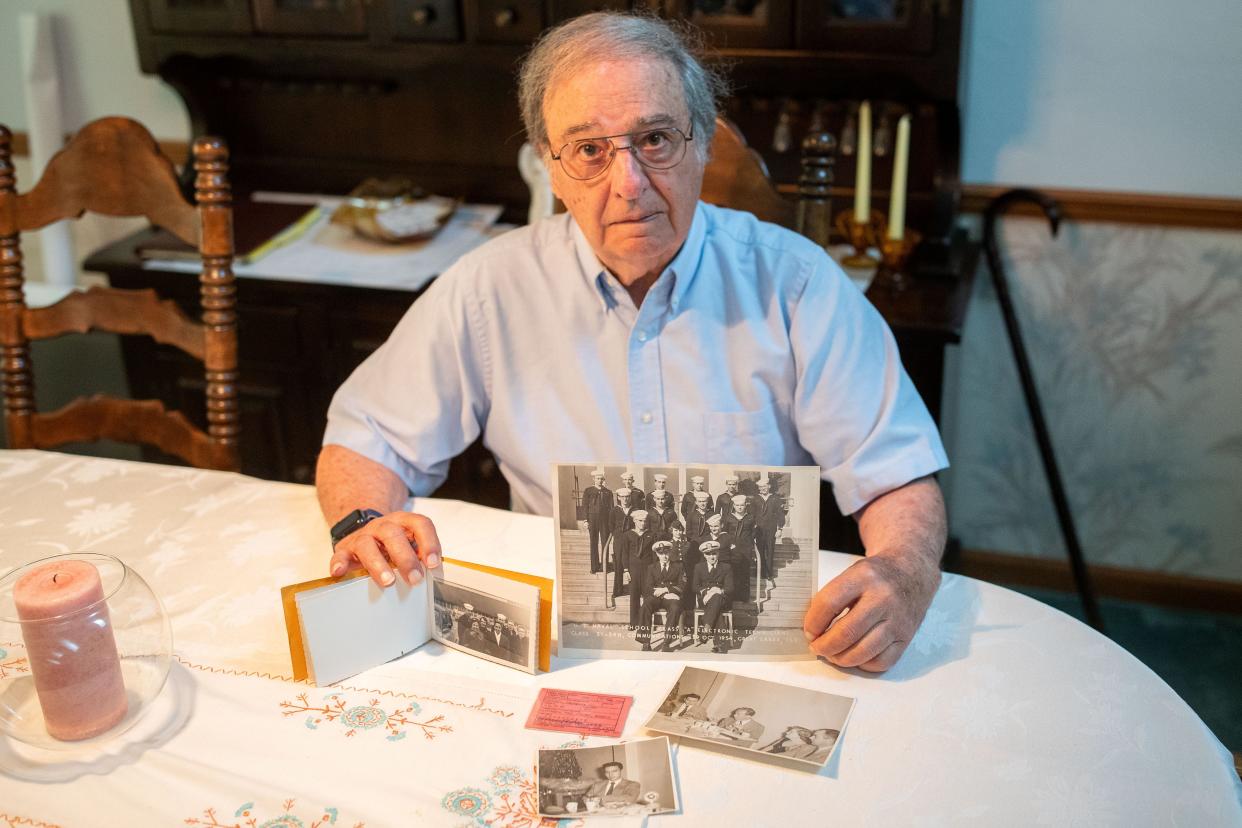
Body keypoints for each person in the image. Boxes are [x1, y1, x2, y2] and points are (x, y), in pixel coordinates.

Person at [317, 11, 949, 675]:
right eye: (589, 150)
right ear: (551, 170)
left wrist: (903, 572)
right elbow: (367, 439)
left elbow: (895, 472)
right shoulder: (488, 288)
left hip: (755, 650)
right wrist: (364, 520)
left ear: (702, 143)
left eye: (655, 139)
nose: (629, 184)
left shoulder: (797, 284)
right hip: (559, 645)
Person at [639, 540, 686, 651]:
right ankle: (645, 642)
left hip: (671, 597)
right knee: (645, 605)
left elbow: (683, 585)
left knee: (675, 607)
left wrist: (666, 590)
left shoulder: (678, 566)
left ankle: (666, 642)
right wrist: (658, 592)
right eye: (661, 553)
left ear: (670, 552)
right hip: (656, 596)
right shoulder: (651, 567)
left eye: (666, 553)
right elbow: (648, 587)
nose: (664, 556)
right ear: (657, 554)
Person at [691, 541, 732, 653]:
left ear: (718, 553)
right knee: (717, 610)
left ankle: (706, 628)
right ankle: (719, 644)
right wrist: (705, 592)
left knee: (717, 598)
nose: (712, 557)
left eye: (714, 553)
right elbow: (694, 586)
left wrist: (719, 590)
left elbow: (730, 587)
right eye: (708, 554)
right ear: (704, 555)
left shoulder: (726, 567)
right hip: (705, 599)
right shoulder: (699, 567)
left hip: (722, 598)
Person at [752, 478, 785, 586]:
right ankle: (761, 573)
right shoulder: (755, 499)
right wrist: (752, 529)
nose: (763, 489)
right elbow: (751, 515)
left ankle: (769, 574)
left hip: (771, 529)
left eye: (764, 487)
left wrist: (780, 529)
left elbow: (780, 514)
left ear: (769, 486)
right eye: (761, 487)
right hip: (759, 529)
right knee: (760, 551)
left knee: (770, 551)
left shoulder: (775, 498)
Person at [582, 469, 613, 574]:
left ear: (603, 480)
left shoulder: (608, 492)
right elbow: (585, 506)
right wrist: (586, 520)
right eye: (597, 478)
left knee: (605, 542)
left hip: (605, 520)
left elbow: (611, 508)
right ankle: (594, 567)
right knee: (593, 542)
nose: (600, 480)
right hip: (593, 519)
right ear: (594, 479)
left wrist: (610, 522)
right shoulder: (588, 491)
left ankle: (604, 567)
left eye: (601, 479)